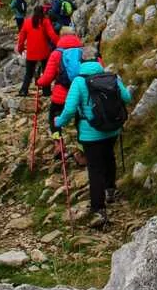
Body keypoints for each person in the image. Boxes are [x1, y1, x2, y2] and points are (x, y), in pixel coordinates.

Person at [55, 45, 132, 229]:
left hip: (90, 133)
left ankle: (98, 208)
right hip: (112, 129)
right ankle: (110, 190)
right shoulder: (112, 77)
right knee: (109, 157)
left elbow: (70, 109)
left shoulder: (78, 82)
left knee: (95, 168)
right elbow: (127, 98)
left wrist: (59, 122)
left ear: (81, 61)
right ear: (98, 60)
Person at [37, 26, 85, 162]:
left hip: (61, 95)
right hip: (81, 93)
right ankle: (82, 152)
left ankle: (58, 143)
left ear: (61, 36)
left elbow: (47, 78)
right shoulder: (85, 52)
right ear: (75, 36)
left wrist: (38, 81)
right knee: (81, 121)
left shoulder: (56, 54)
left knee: (54, 118)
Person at [15, 6, 58, 97]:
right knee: (46, 72)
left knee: (29, 73)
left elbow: (21, 38)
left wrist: (20, 49)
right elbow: (52, 35)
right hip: (44, 52)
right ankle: (46, 91)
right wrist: (60, 44)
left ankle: (24, 90)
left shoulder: (27, 22)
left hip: (31, 52)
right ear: (43, 12)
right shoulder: (45, 21)